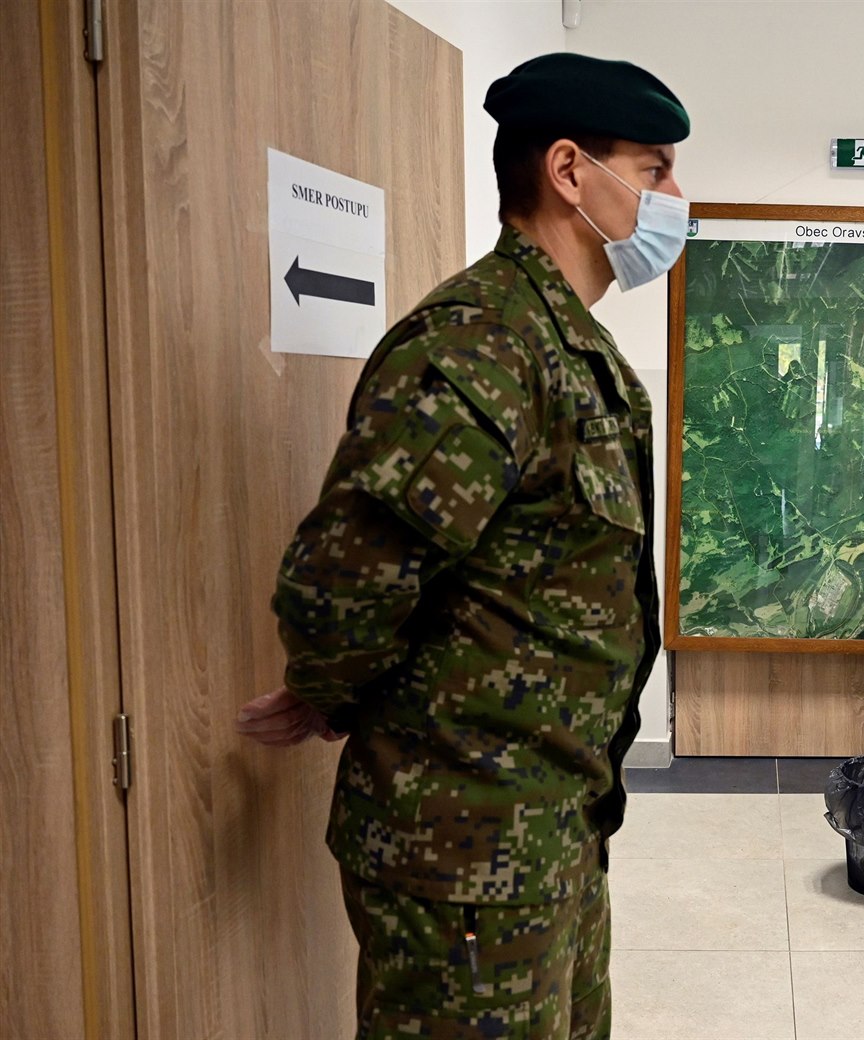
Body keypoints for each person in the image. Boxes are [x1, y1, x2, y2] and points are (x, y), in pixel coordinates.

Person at [234, 53, 689, 1039]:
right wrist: (327, 690)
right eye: (654, 169)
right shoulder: (477, 342)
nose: (673, 198)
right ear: (569, 171)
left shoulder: (570, 347)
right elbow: (343, 583)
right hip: (460, 853)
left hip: (549, 829)